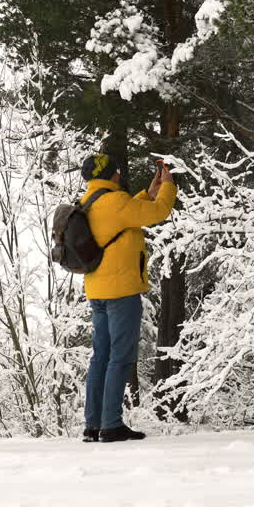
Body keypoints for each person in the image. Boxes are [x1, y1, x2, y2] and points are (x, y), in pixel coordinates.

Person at [78, 151, 176, 443]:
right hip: (122, 292)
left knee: (101, 357)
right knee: (120, 356)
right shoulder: (115, 202)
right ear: (111, 174)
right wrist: (168, 185)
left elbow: (130, 213)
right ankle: (111, 425)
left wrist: (149, 190)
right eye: (117, 171)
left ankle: (93, 425)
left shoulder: (88, 203)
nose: (120, 175)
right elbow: (158, 212)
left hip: (97, 290)